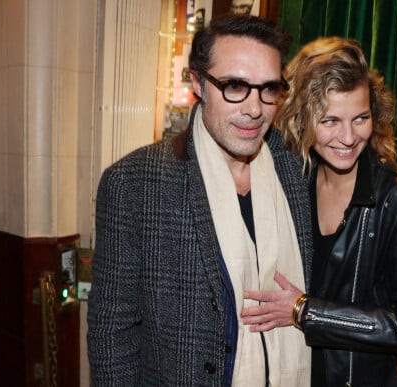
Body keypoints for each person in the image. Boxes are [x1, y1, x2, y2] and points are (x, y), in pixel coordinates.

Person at [87, 14, 313, 387]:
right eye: (235, 86)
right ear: (197, 83)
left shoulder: (293, 173)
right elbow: (113, 333)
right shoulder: (134, 182)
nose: (255, 109)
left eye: (268, 89)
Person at [241, 37, 397, 386]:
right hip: (290, 372)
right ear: (302, 119)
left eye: (360, 118)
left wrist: (306, 311)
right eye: (330, 121)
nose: (348, 137)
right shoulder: (290, 183)